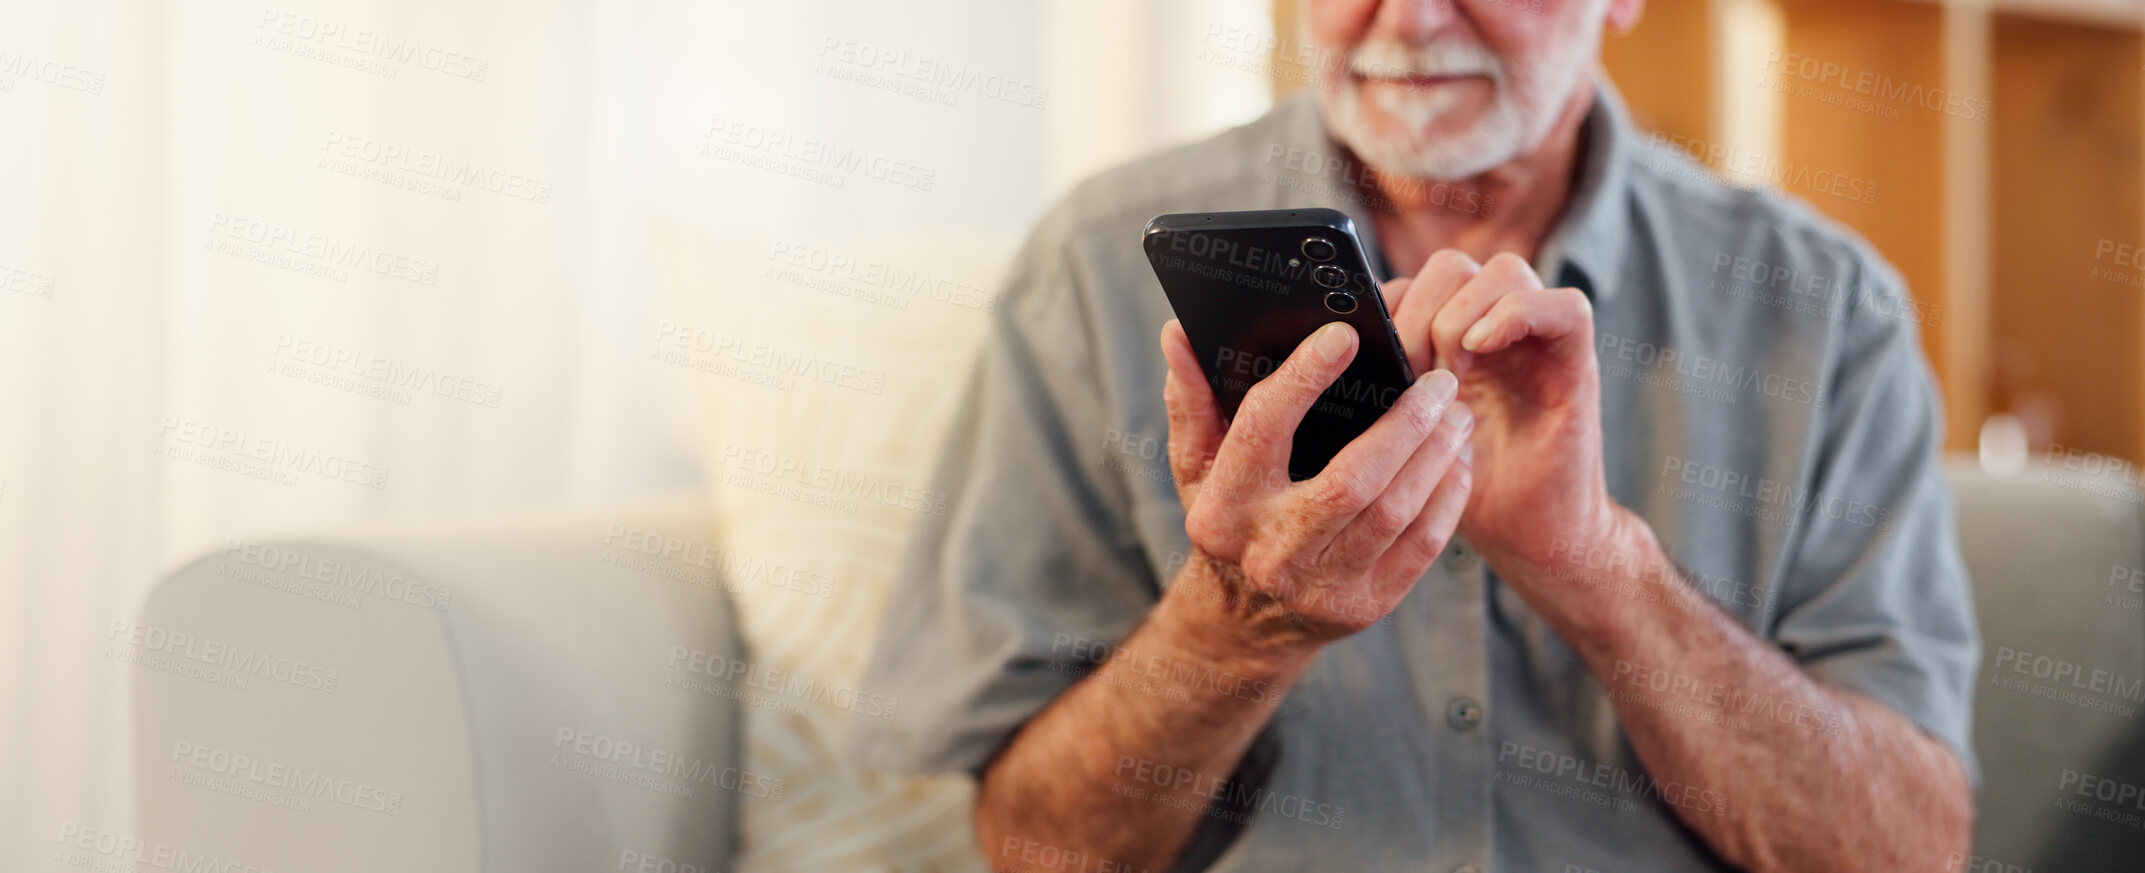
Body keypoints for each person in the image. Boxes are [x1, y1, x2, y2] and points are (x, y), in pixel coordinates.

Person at [845, 1, 1980, 871]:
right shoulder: (1092, 267)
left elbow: (1907, 848)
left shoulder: (1822, 314)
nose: (1415, 17)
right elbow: (1037, 849)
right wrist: (1233, 628)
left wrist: (1596, 567)